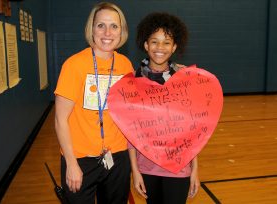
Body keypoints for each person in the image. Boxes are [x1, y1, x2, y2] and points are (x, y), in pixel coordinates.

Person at [54, 2, 133, 204]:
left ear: (121, 31)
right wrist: (71, 163)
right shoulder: (74, 65)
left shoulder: (125, 64)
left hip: (117, 156)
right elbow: (60, 120)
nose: (107, 32)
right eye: (101, 25)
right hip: (80, 159)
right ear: (92, 29)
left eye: (114, 26)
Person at [129, 12, 200, 204]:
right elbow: (131, 132)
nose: (160, 48)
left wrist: (195, 170)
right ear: (146, 45)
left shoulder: (184, 78)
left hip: (179, 168)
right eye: (154, 42)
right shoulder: (133, 81)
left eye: (166, 42)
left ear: (174, 46)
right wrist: (135, 171)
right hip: (146, 168)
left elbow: (192, 130)